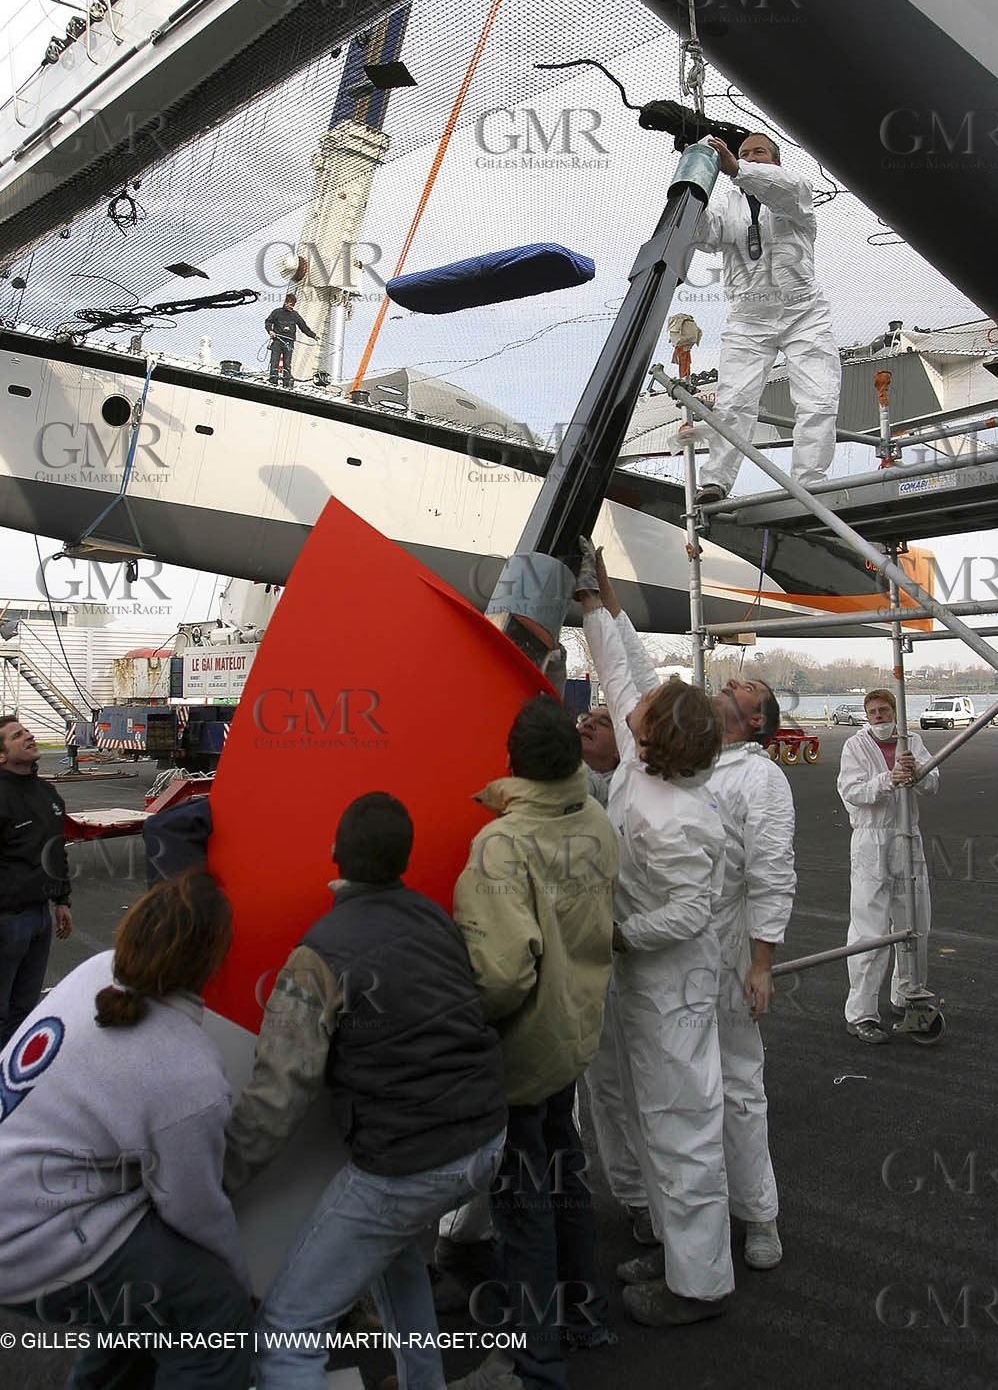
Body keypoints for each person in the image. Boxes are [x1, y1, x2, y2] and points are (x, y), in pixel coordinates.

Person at [223, 791, 507, 1390]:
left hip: (407, 1162)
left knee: (286, 1331)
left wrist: (212, 1179)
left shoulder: (318, 954)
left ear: (335, 854)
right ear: (404, 858)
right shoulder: (435, 916)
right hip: (485, 1139)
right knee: (394, 1252)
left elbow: (278, 1097)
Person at [0, 870, 255, 1389]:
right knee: (214, 1319)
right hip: (19, 1243)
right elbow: (193, 1210)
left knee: (136, 1317)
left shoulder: (95, 971)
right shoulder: (188, 1073)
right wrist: (241, 1283)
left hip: (7, 1200)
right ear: (210, 962)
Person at [576, 549, 732, 1328]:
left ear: (655, 745)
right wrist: (599, 604)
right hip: (643, 981)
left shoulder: (684, 824)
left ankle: (699, 1284)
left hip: (671, 984)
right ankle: (678, 1248)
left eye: (637, 720)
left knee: (682, 1126)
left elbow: (690, 916)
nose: (624, 715)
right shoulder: (650, 762)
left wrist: (619, 933)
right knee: (652, 1119)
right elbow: (625, 675)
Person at [450, 695, 619, 1390]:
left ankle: (534, 1359)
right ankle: (583, 1312)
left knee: (524, 1203)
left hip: (522, 1046)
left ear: (513, 761)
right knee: (565, 1168)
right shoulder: (598, 820)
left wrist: (467, 1023)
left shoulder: (504, 842)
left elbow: (502, 972)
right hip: (574, 1029)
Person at [689, 132, 840, 501]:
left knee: (818, 399)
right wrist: (692, 180)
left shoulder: (795, 192)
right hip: (748, 318)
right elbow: (702, 233)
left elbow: (783, 191)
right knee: (734, 401)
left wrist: (738, 168)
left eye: (759, 152)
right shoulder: (727, 206)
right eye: (743, 153)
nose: (749, 157)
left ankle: (809, 483)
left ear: (775, 161)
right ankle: (716, 481)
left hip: (804, 312)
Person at [705, 675, 794, 1270]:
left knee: (739, 1084)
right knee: (678, 1092)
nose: (731, 679)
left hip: (732, 944)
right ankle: (680, 1223)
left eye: (747, 686)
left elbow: (771, 871)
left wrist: (762, 963)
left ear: (755, 720)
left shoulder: (761, 778)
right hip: (667, 946)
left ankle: (759, 1214)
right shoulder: (690, 760)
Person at [838, 689, 939, 1044]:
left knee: (915, 920)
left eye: (884, 710)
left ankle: (908, 994)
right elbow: (850, 790)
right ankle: (861, 1013)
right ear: (867, 716)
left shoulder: (912, 741)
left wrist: (917, 773)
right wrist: (887, 780)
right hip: (871, 841)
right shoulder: (855, 746)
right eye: (873, 712)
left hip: (907, 839)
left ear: (895, 711)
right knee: (870, 929)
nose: (879, 717)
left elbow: (933, 784)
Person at [0, 715, 73, 1066]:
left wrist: (61, 899)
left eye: (27, 731)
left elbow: (56, 850)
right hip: (6, 923)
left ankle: (11, 1085)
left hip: (39, 919)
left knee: (23, 1008)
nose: (29, 736)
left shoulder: (47, 793)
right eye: (17, 735)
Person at [264, 292, 318, 387]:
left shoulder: (295, 315)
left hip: (289, 343)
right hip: (277, 341)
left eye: (293, 305)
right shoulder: (277, 312)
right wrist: (270, 331)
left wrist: (313, 336)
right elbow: (268, 322)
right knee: (274, 361)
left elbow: (304, 327)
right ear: (286, 302)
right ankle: (273, 380)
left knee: (287, 363)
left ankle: (286, 382)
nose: (292, 307)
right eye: (290, 304)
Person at [577, 706, 619, 808]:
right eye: (584, 718)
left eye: (603, 723)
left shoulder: (619, 798)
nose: (588, 723)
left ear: (619, 750)